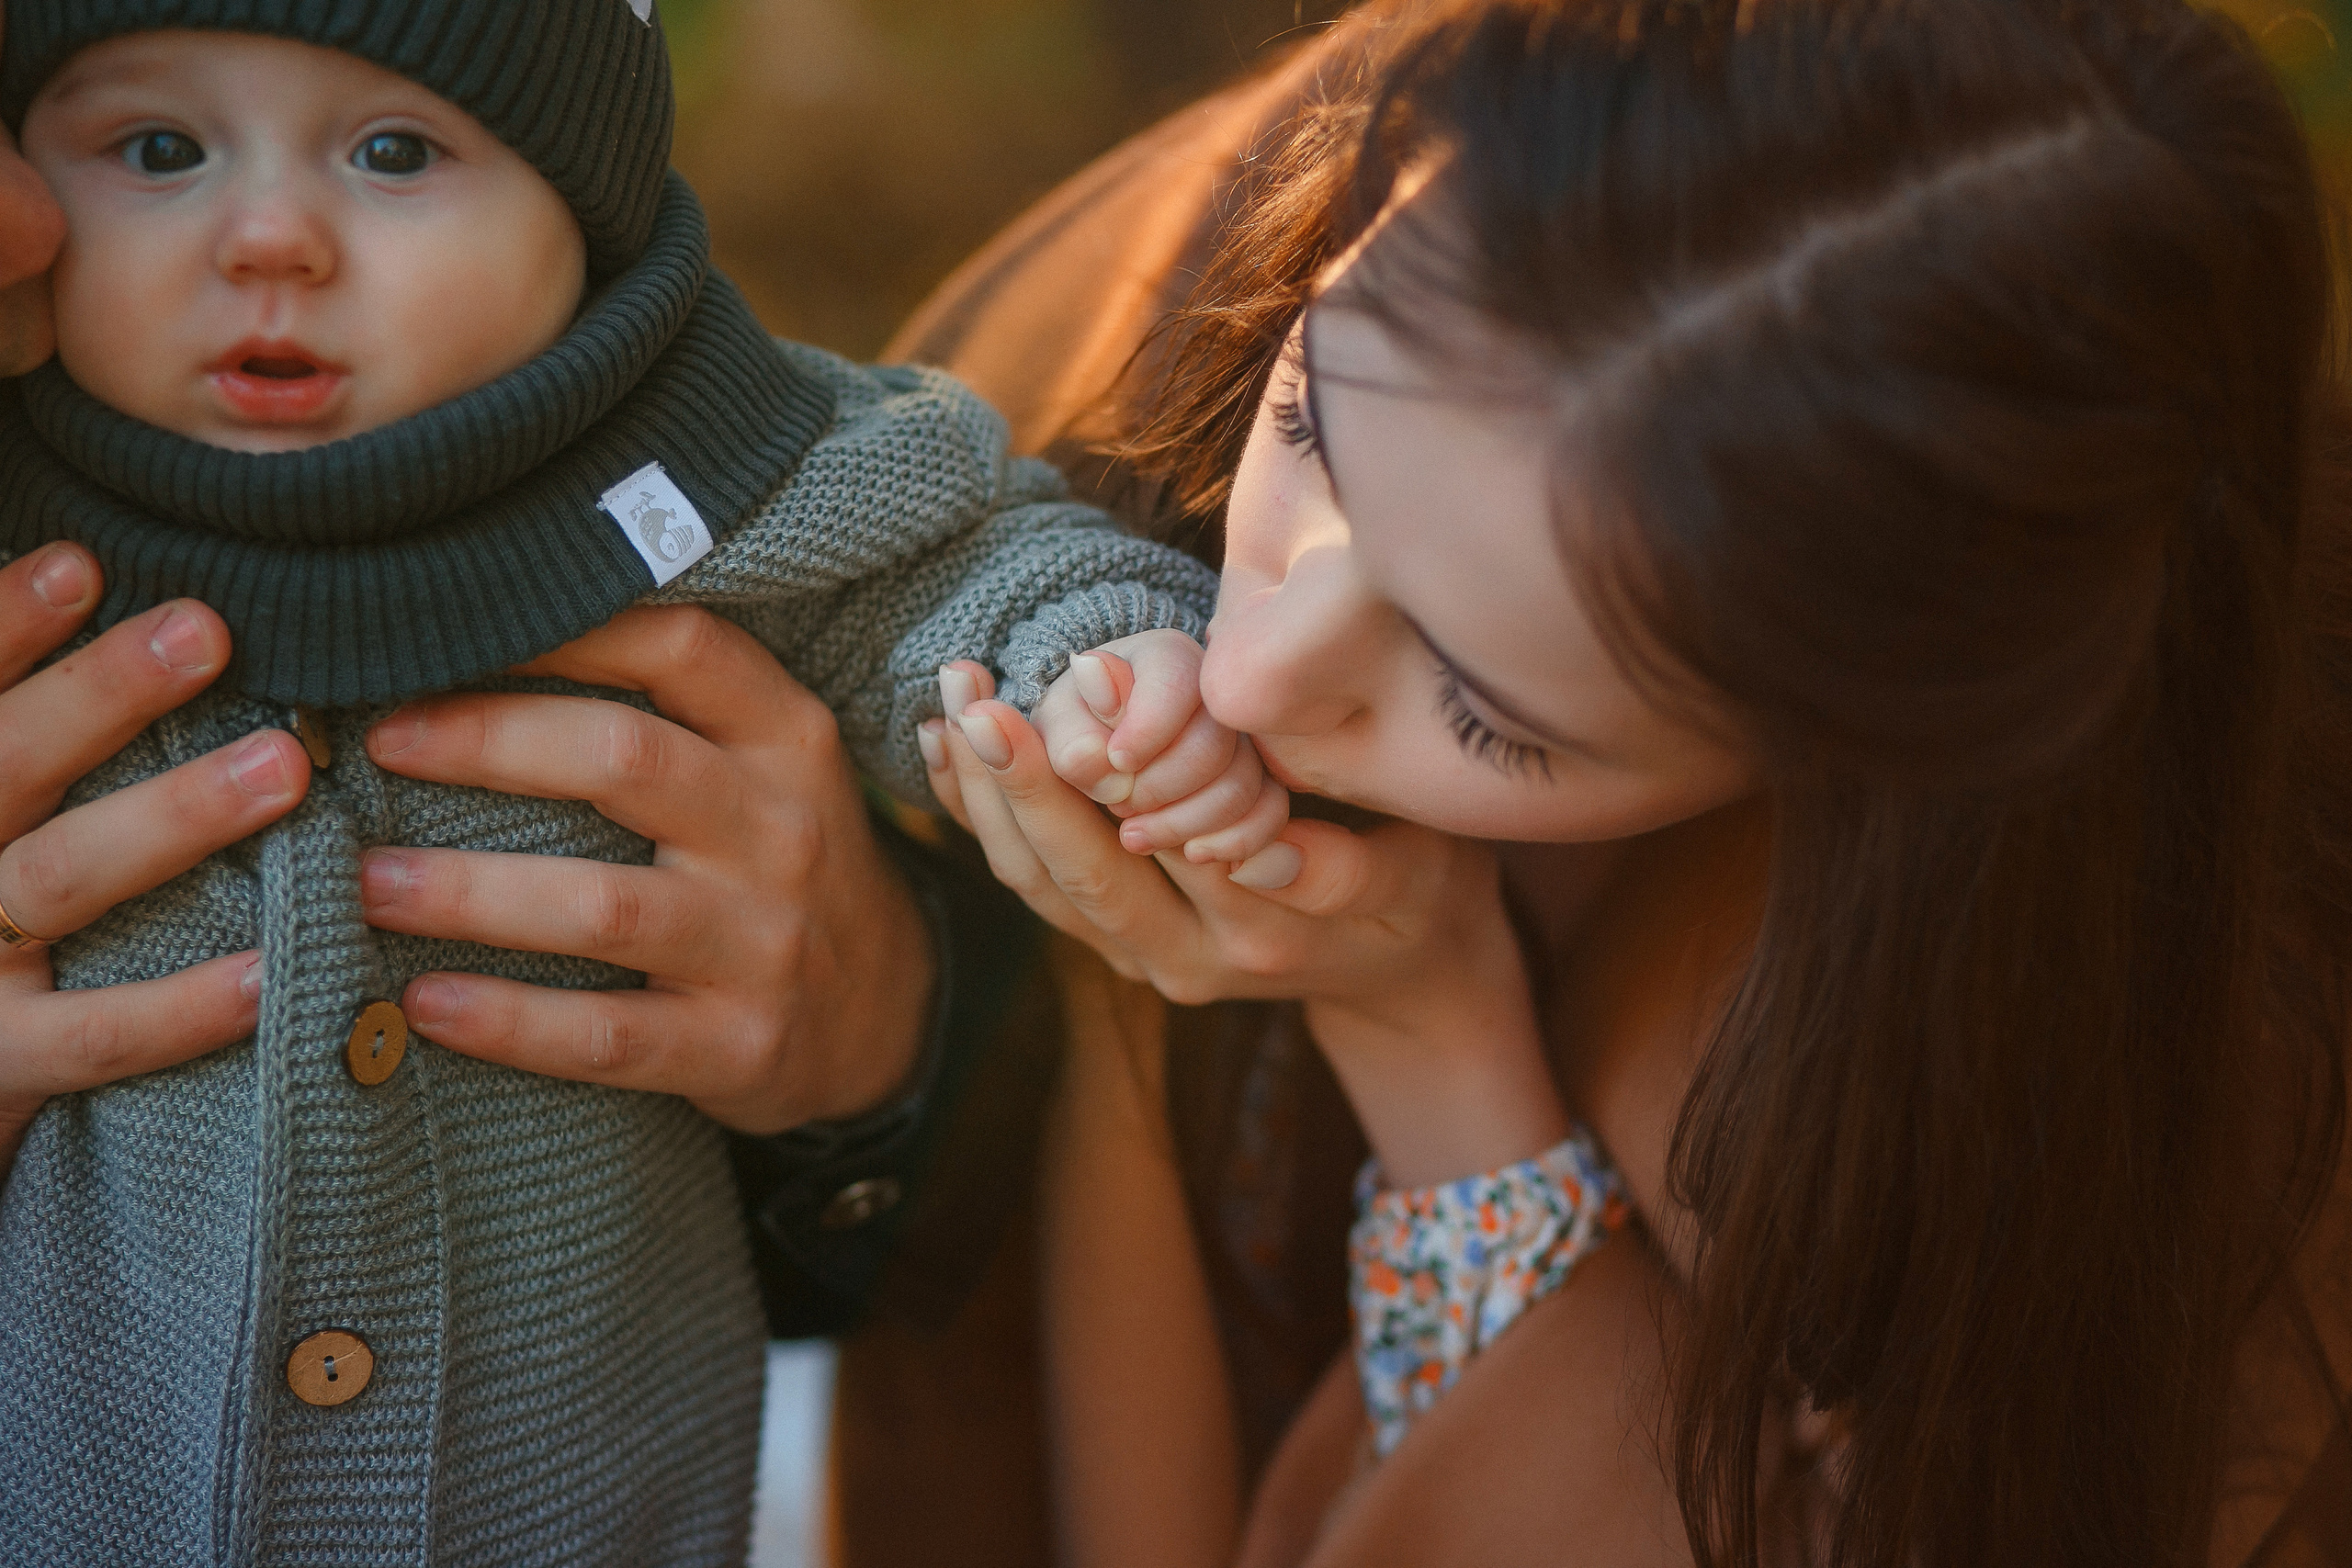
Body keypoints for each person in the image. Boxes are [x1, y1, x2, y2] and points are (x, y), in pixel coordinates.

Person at [881, 0, 2352, 1562]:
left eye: (1487, 709)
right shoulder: (1217, 291)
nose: (1250, 674)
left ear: (1862, 748)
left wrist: (1432, 1042)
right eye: (1310, 419)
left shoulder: (2129, 1179)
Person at [0, 1, 1226, 1562]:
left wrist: (1106, 677)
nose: (269, 238)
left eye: (395, 150)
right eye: (158, 149)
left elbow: (956, 566)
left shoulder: (689, 477)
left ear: (587, 216)